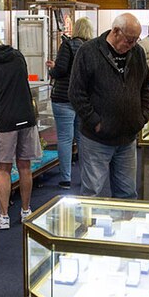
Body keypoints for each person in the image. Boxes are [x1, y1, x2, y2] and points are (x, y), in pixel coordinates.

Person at [68, 13, 149, 199]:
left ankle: (126, 227)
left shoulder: (137, 52)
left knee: (128, 193)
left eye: (136, 40)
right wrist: (95, 121)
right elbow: (76, 92)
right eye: (129, 40)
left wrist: (142, 115)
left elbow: (145, 87)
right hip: (96, 139)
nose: (132, 44)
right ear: (115, 31)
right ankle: (89, 228)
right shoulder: (88, 51)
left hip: (128, 137)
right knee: (91, 193)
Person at [0, 30, 41, 229]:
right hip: (26, 117)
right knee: (25, 167)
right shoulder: (18, 56)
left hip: (3, 121)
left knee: (3, 169)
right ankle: (26, 211)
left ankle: (3, 216)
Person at [47, 17, 93, 189]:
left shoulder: (68, 45)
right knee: (82, 139)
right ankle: (86, 177)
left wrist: (53, 68)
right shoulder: (91, 48)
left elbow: (60, 70)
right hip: (82, 98)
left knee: (65, 139)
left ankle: (66, 178)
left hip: (63, 97)